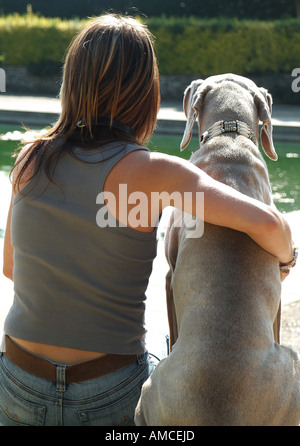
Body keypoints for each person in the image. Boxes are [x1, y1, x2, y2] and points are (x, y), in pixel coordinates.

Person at [1, 14, 294, 426]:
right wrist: (285, 258)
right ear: (146, 94)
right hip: (107, 391)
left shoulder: (29, 159)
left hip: (17, 382)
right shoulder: (157, 173)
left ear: (71, 84)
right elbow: (267, 225)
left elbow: (11, 268)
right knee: (164, 345)